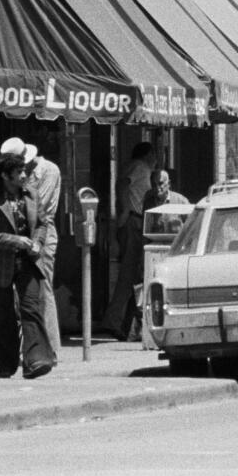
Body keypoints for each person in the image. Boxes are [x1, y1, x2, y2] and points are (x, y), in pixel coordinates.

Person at [0, 152, 55, 379]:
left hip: (28, 260)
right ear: (4, 175)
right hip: (0, 262)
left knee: (31, 307)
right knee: (2, 314)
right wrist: (15, 241)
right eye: (18, 172)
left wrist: (37, 244)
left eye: (24, 171)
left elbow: (41, 223)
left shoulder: (31, 195)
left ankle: (36, 360)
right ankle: (6, 363)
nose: (23, 176)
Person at [1, 138, 62, 359]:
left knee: (43, 289)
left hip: (40, 236)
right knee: (24, 293)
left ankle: (51, 347)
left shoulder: (48, 171)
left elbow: (38, 209)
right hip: (18, 236)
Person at [104, 141, 154, 341]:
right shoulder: (140, 167)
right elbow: (123, 183)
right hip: (133, 220)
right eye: (154, 154)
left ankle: (129, 326)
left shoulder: (141, 168)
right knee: (129, 273)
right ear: (148, 154)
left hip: (138, 221)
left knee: (136, 276)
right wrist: (124, 209)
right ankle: (113, 321)